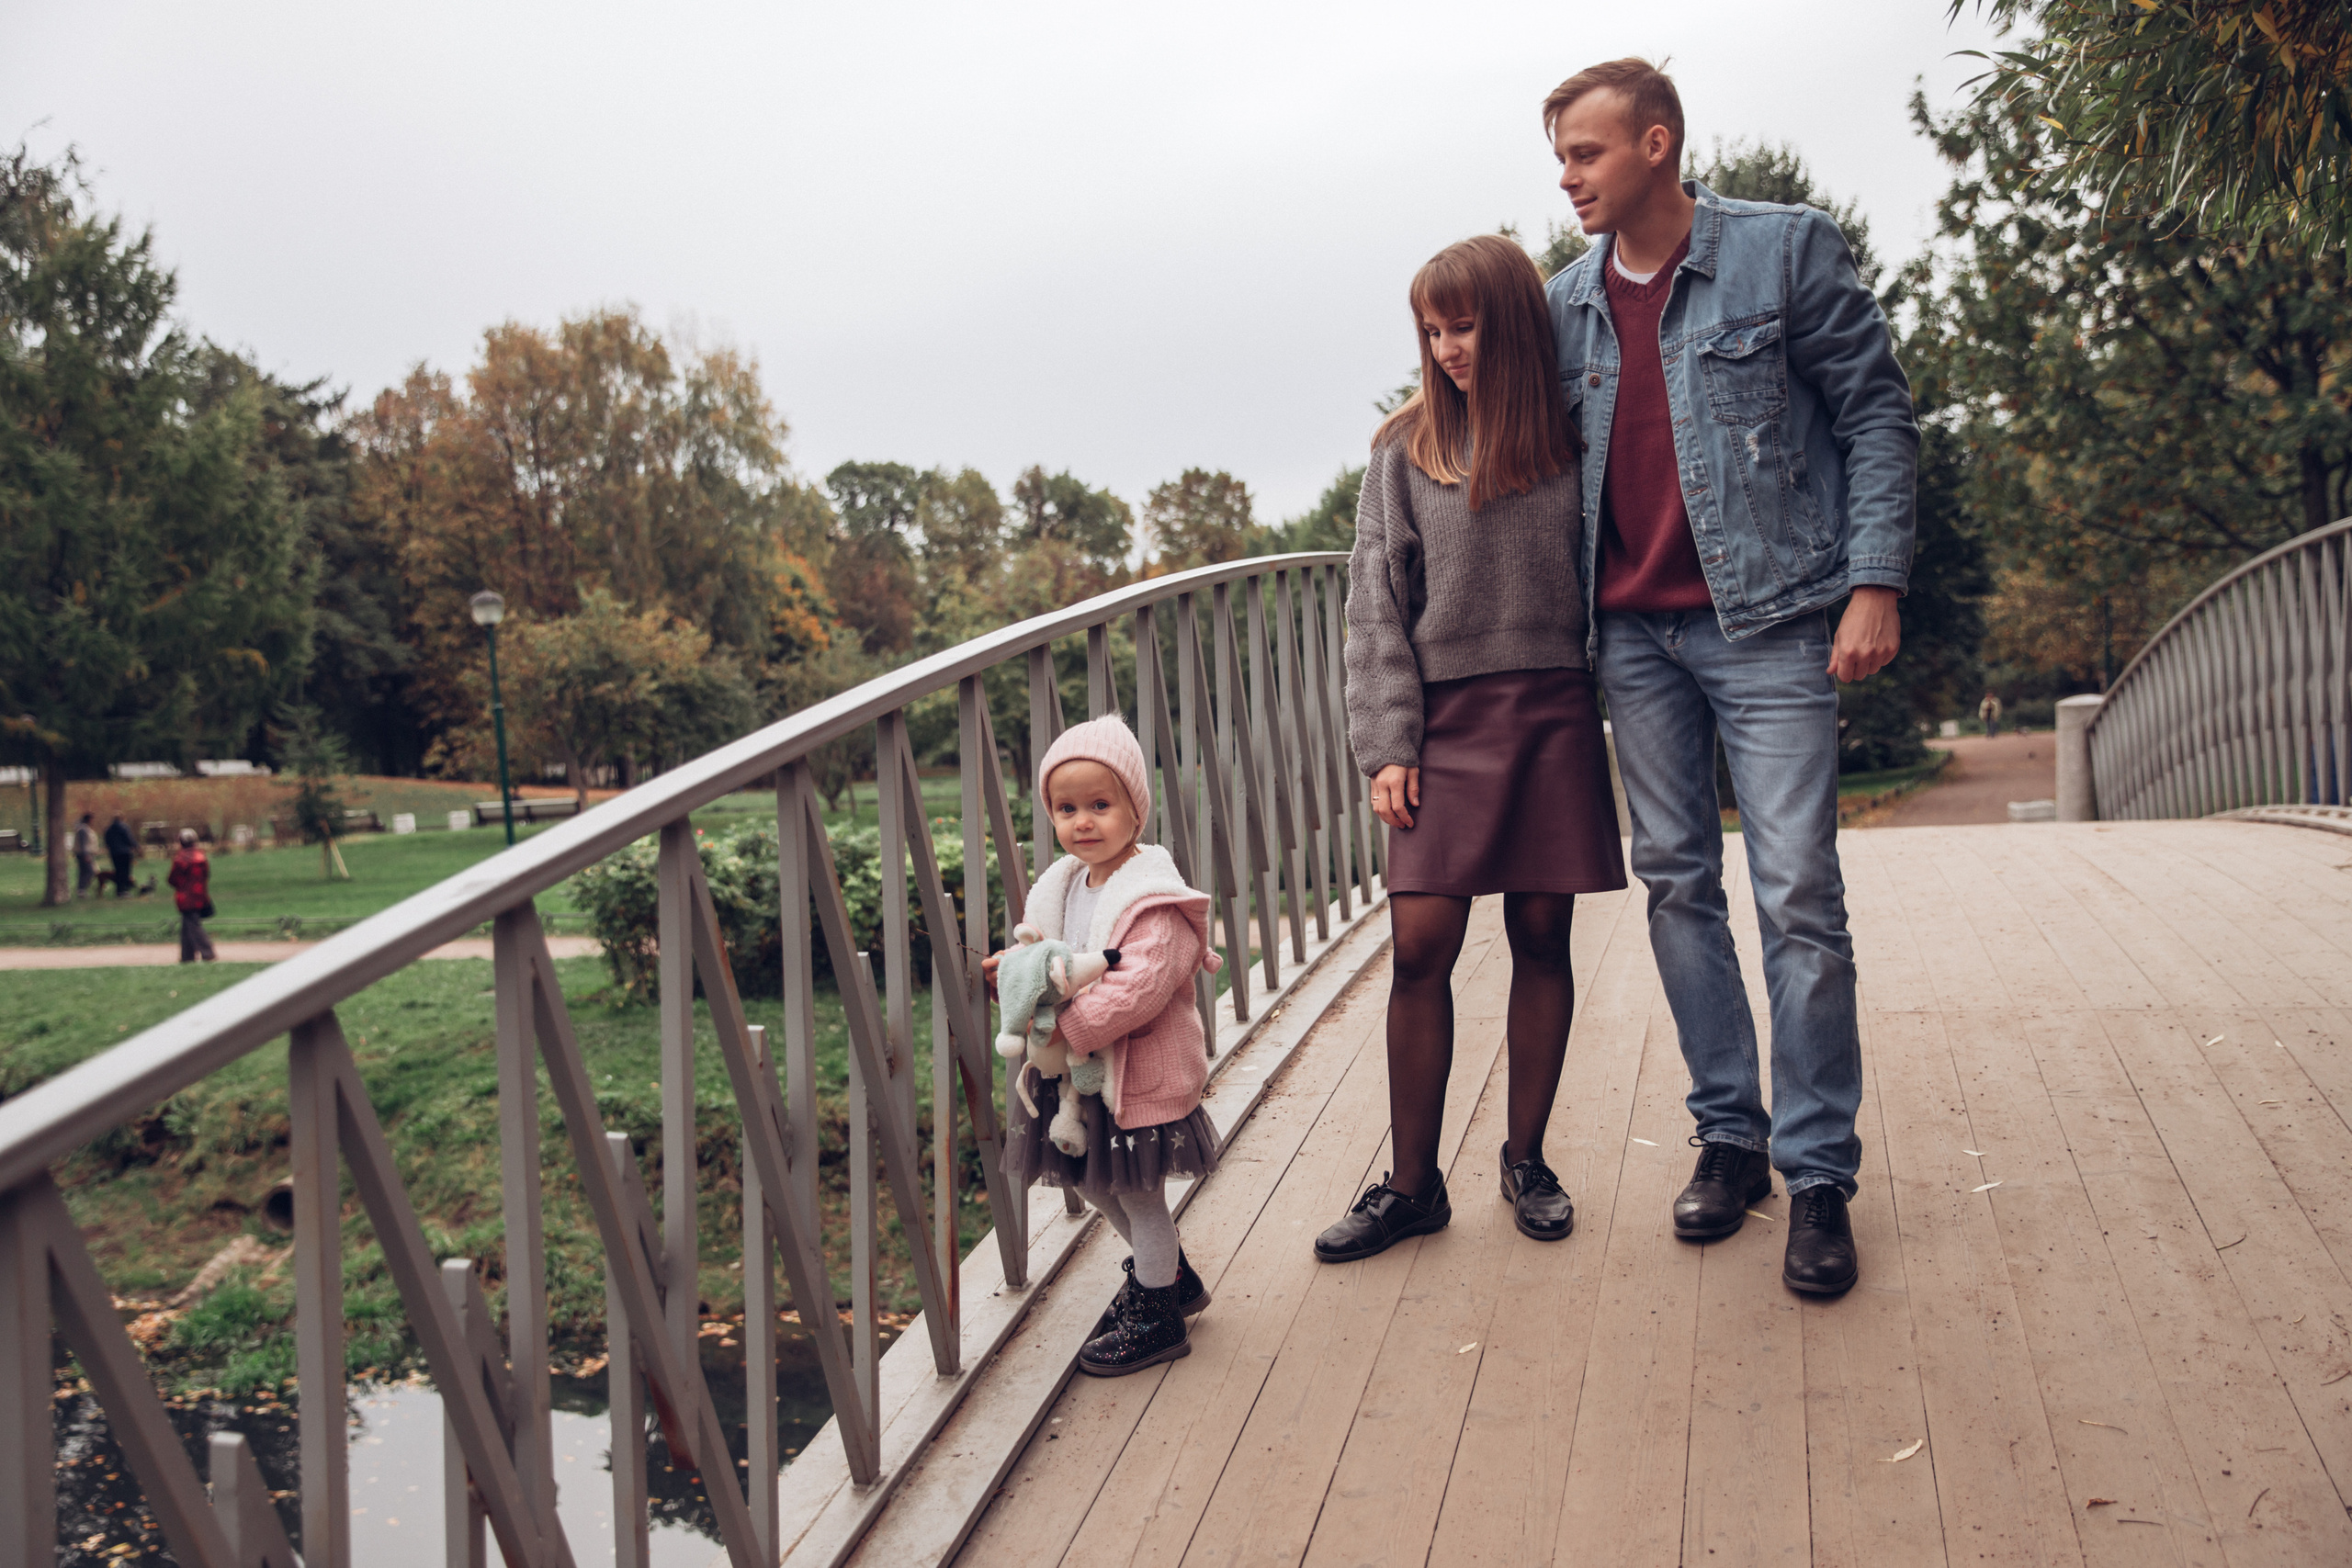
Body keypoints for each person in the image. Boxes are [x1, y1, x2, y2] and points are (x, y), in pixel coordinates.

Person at [1544, 59, 1917, 1294]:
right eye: (1559, 157)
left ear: (1656, 144)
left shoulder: (1783, 251)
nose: (1567, 179)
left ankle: (1818, 1175)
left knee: (1798, 891)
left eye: (1586, 153)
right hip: (1629, 639)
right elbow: (1505, 445)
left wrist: (1876, 579)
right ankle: (1730, 1138)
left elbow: (1874, 414)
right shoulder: (1563, 305)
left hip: (1769, 621)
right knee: (1676, 884)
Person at [1321, 233, 1628, 1264]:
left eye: (1465, 326)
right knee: (1421, 946)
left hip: (1551, 711)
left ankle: (1525, 1159)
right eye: (1432, 331)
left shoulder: (1575, 441)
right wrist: (1386, 744)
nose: (1448, 348)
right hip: (1442, 725)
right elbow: (1374, 606)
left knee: (1541, 937)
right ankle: (1413, 1186)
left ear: (1515, 326)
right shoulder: (1402, 450)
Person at [989, 716, 1223, 1376]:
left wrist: (1066, 1029)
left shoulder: (1156, 900)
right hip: (1079, 1079)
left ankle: (1158, 1317)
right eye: (1067, 809)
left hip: (1134, 1074)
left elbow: (1139, 988)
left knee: (1141, 1195)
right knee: (1095, 1182)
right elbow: (1048, 956)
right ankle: (1168, 1278)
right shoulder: (1064, 884)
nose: (1083, 822)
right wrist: (1012, 972)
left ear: (1135, 811)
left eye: (1100, 804)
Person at [167, 828, 217, 964]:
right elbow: (206, 875)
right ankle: (187, 956)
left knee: (193, 925)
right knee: (187, 925)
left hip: (186, 897)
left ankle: (207, 952)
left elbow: (173, 879)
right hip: (200, 894)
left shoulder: (180, 859)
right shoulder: (201, 857)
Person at [103, 814, 139, 897]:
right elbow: (129, 838)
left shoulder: (109, 829)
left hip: (114, 853)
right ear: (123, 819)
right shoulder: (124, 827)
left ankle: (119, 890)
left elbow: (107, 841)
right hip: (125, 852)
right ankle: (124, 890)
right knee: (125, 871)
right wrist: (136, 846)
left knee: (118, 871)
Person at [73, 812, 98, 897]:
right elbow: (83, 844)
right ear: (89, 819)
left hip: (86, 854)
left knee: (84, 872)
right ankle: (81, 889)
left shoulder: (86, 829)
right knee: (90, 872)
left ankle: (81, 890)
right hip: (85, 854)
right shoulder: (83, 830)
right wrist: (86, 855)